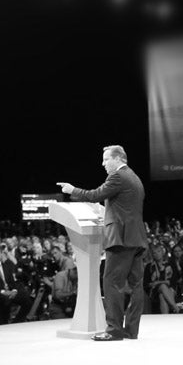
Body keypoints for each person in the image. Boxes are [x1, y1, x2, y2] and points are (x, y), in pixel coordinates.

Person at [58, 144, 147, 341]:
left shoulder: (117, 176)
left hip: (120, 239)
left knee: (111, 283)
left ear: (117, 159)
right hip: (137, 238)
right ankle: (131, 330)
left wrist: (72, 189)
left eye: (106, 159)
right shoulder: (135, 177)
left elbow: (95, 195)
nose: (103, 163)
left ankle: (114, 330)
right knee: (135, 285)